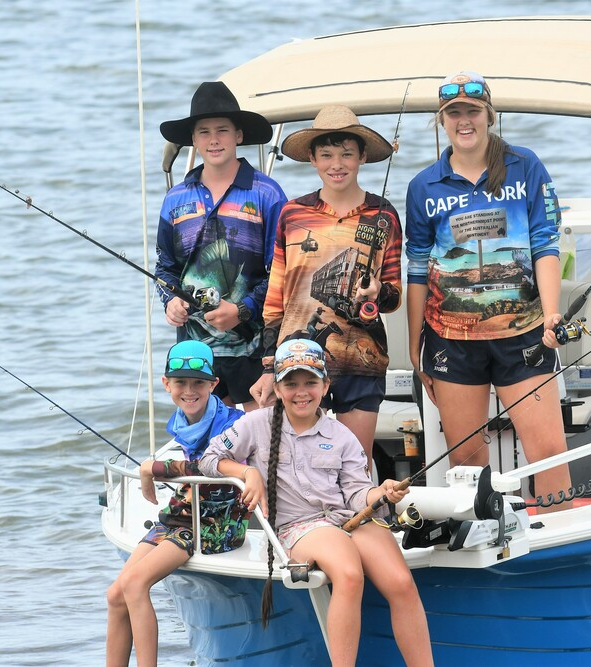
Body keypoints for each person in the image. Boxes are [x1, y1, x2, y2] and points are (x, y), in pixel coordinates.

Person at [199, 339, 432, 667]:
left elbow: (355, 494)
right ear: (277, 388)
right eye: (291, 383)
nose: (301, 392)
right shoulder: (254, 424)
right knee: (349, 574)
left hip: (350, 518)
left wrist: (381, 493)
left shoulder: (342, 435)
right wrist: (246, 472)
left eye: (310, 382)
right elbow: (209, 459)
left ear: (325, 385)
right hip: (299, 527)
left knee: (401, 582)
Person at [405, 72, 572, 511]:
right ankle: (487, 543)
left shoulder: (525, 165)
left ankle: (556, 537)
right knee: (465, 460)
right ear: (442, 121)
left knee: (549, 453)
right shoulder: (424, 186)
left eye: (472, 112)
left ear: (489, 115)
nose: (464, 121)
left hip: (525, 333)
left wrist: (552, 314)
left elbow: (545, 244)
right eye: (453, 113)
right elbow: (418, 269)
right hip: (451, 340)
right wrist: (413, 343)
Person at [249, 106, 402, 468]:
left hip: (360, 361)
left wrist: (378, 292)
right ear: (313, 160)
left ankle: (358, 525)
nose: (338, 164)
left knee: (355, 463)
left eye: (347, 154)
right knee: (292, 463)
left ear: (362, 157)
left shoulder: (385, 215)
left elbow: (394, 294)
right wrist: (269, 365)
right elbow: (274, 299)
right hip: (296, 358)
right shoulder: (292, 213)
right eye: (327, 155)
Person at [106, 340, 247, 667]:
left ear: (214, 384)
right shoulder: (183, 420)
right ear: (166, 383)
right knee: (116, 595)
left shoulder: (233, 423)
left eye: (198, 383)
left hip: (215, 524)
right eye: (180, 382)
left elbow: (214, 466)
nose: (189, 390)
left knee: (135, 583)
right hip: (182, 514)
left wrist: (153, 469)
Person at [156, 80, 287, 411]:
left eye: (223, 130)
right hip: (194, 351)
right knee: (206, 450)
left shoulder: (267, 194)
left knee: (259, 441)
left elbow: (282, 273)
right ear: (194, 141)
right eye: (204, 132)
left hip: (255, 347)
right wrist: (170, 301)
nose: (213, 140)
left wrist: (241, 310)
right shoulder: (175, 200)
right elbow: (165, 269)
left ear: (238, 136)